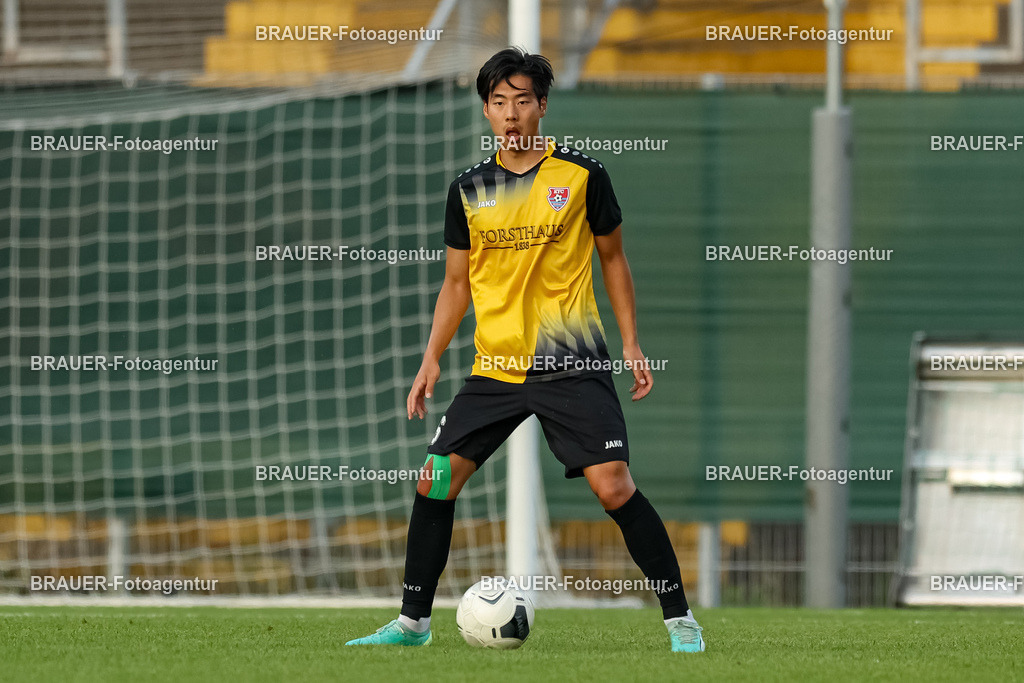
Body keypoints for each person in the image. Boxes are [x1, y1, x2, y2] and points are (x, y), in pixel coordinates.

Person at [346, 47, 705, 653]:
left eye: (521, 101)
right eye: (498, 102)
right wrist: (431, 357)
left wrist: (633, 343)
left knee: (614, 486)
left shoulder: (583, 176)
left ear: (541, 106)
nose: (510, 114)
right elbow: (457, 283)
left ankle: (680, 621)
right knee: (434, 480)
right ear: (486, 111)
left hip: (572, 361)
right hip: (496, 367)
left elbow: (614, 260)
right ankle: (411, 625)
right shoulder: (468, 190)